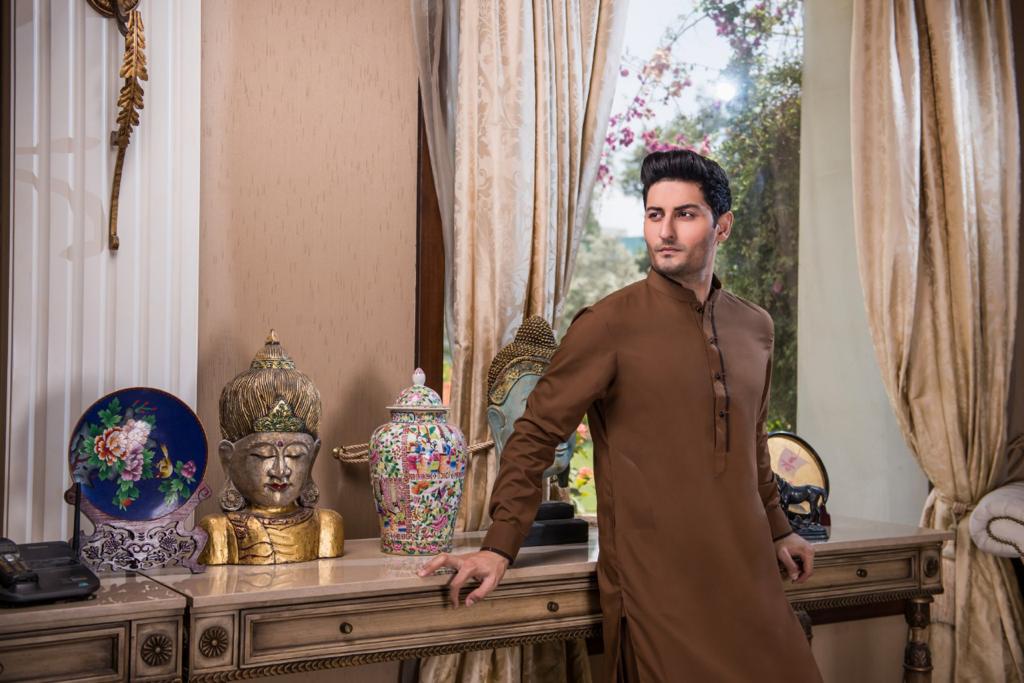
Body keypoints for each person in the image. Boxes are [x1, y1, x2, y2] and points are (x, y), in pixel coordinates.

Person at [419, 150, 823, 682]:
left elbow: (752, 444)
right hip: (656, 586)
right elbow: (535, 433)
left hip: (750, 577)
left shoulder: (755, 328)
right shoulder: (607, 325)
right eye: (655, 215)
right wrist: (499, 546)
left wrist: (780, 531)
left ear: (722, 226)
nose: (665, 231)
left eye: (685, 214)